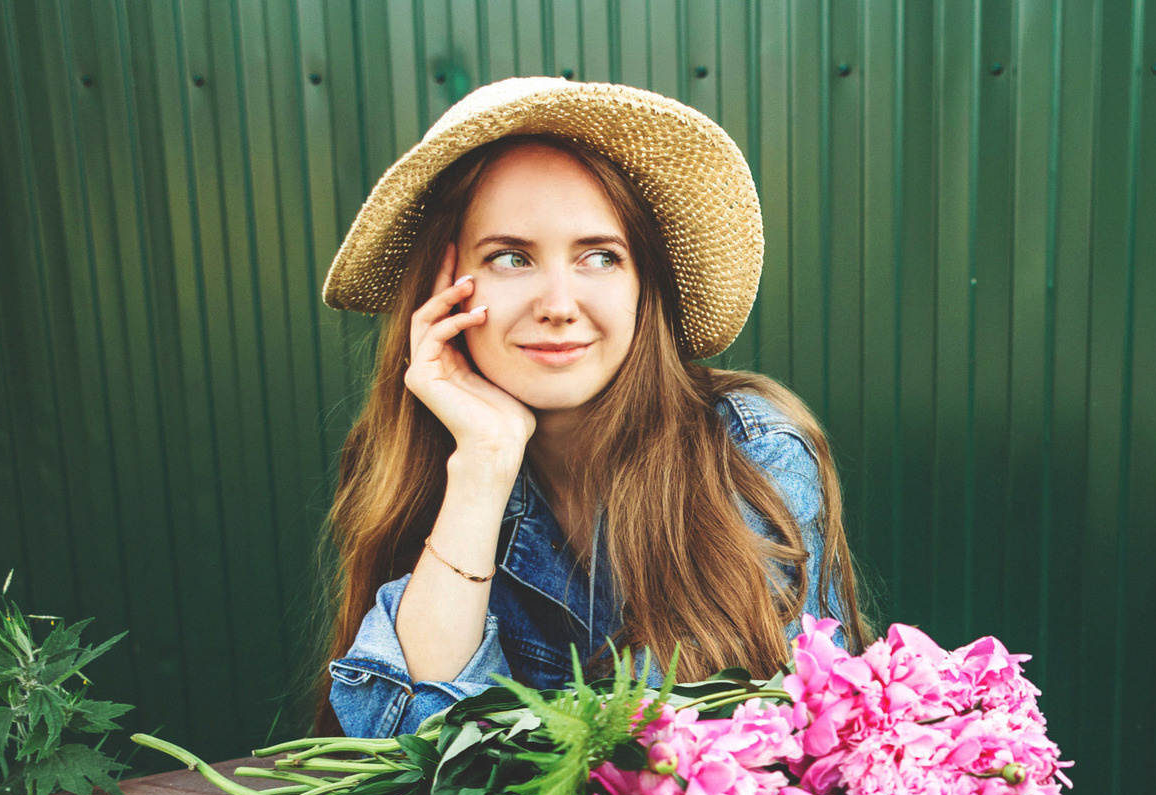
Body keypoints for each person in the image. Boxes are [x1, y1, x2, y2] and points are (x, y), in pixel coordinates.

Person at [314, 78, 869, 738]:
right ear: (447, 284)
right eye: (511, 257)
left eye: (600, 257)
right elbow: (400, 743)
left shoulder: (749, 454)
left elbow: (700, 750)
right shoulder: (419, 462)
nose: (557, 304)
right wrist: (484, 464)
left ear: (644, 285)